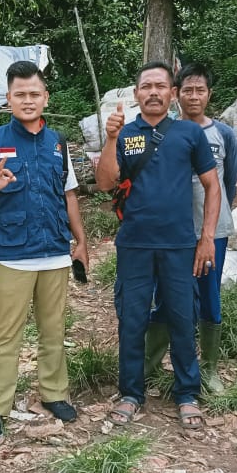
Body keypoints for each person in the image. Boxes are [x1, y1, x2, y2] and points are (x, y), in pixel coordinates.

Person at [0, 61, 89, 442]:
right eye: (20, 94)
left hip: (54, 251)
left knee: (53, 331)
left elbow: (68, 194)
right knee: (7, 335)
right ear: (8, 99)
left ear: (45, 97)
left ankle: (54, 393)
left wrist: (80, 241)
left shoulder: (58, 143)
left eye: (35, 94)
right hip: (13, 255)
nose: (28, 100)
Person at [95, 61, 220, 430]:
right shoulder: (125, 132)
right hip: (134, 244)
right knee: (132, 320)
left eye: (160, 86)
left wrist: (207, 238)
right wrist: (111, 139)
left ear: (172, 93)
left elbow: (213, 187)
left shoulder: (188, 134)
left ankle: (187, 393)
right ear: (136, 94)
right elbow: (104, 184)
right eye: (146, 86)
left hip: (180, 245)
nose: (153, 92)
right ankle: (131, 393)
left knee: (183, 317)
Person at [143, 63, 237, 395]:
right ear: (176, 95)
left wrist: (209, 231)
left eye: (200, 90)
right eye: (188, 90)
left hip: (212, 233)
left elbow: (227, 184)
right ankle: (150, 363)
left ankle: (208, 371)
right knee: (166, 298)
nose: (194, 96)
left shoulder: (224, 134)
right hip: (170, 234)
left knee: (210, 299)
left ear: (209, 95)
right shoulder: (162, 131)